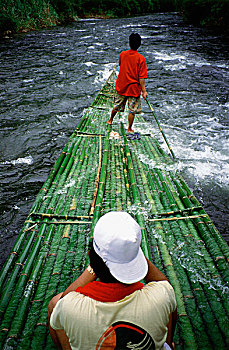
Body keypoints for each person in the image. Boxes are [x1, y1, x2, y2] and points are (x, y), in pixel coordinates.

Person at [48, 211, 177, 350]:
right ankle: (168, 344)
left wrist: (95, 266)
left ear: (91, 256)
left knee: (54, 303)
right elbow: (163, 283)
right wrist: (131, 254)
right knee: (168, 305)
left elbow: (66, 297)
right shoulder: (162, 295)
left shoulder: (69, 306)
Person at [107, 33, 148, 133]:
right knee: (132, 110)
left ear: (129, 43)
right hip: (133, 88)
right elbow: (141, 77)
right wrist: (144, 91)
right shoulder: (141, 58)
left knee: (117, 105)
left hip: (122, 85)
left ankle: (110, 120)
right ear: (139, 44)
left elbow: (121, 65)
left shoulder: (123, 54)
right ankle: (129, 128)